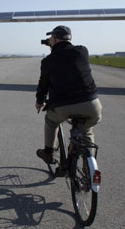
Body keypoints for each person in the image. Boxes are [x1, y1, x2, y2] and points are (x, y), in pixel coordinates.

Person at [35, 25, 102, 163]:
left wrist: (39, 101)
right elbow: (68, 59)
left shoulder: (48, 61)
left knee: (50, 121)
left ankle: (48, 152)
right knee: (87, 130)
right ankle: (89, 165)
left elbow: (43, 85)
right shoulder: (82, 51)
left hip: (63, 106)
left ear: (53, 38)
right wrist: (55, 45)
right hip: (91, 105)